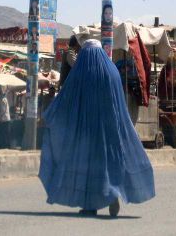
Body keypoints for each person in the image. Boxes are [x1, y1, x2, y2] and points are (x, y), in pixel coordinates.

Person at [39, 39, 155, 217]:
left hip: (87, 131)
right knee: (111, 161)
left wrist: (51, 115)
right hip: (111, 129)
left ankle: (90, 205)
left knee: (89, 165)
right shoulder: (112, 71)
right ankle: (114, 192)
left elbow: (66, 99)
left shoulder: (80, 72)